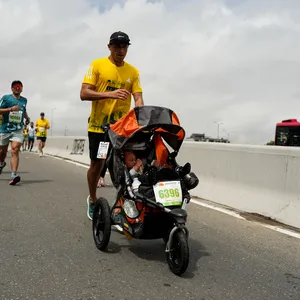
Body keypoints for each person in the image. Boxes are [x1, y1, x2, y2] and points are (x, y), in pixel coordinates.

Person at [80, 31, 144, 220]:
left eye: (124, 47)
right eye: (117, 46)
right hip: (100, 128)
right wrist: (111, 94)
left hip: (122, 129)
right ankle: (92, 199)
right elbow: (84, 93)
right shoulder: (97, 65)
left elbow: (138, 98)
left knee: (126, 167)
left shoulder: (133, 72)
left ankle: (120, 207)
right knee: (97, 165)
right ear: (109, 47)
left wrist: (141, 115)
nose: (121, 50)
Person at [0, 80, 30, 185]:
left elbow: (23, 110)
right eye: (16, 86)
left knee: (15, 149)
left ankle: (13, 175)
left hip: (18, 129)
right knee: (2, 152)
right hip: (5, 129)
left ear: (22, 88)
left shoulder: (24, 100)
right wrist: (10, 109)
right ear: (12, 88)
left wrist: (27, 117)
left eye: (19, 86)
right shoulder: (6, 98)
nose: (18, 88)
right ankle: (1, 163)